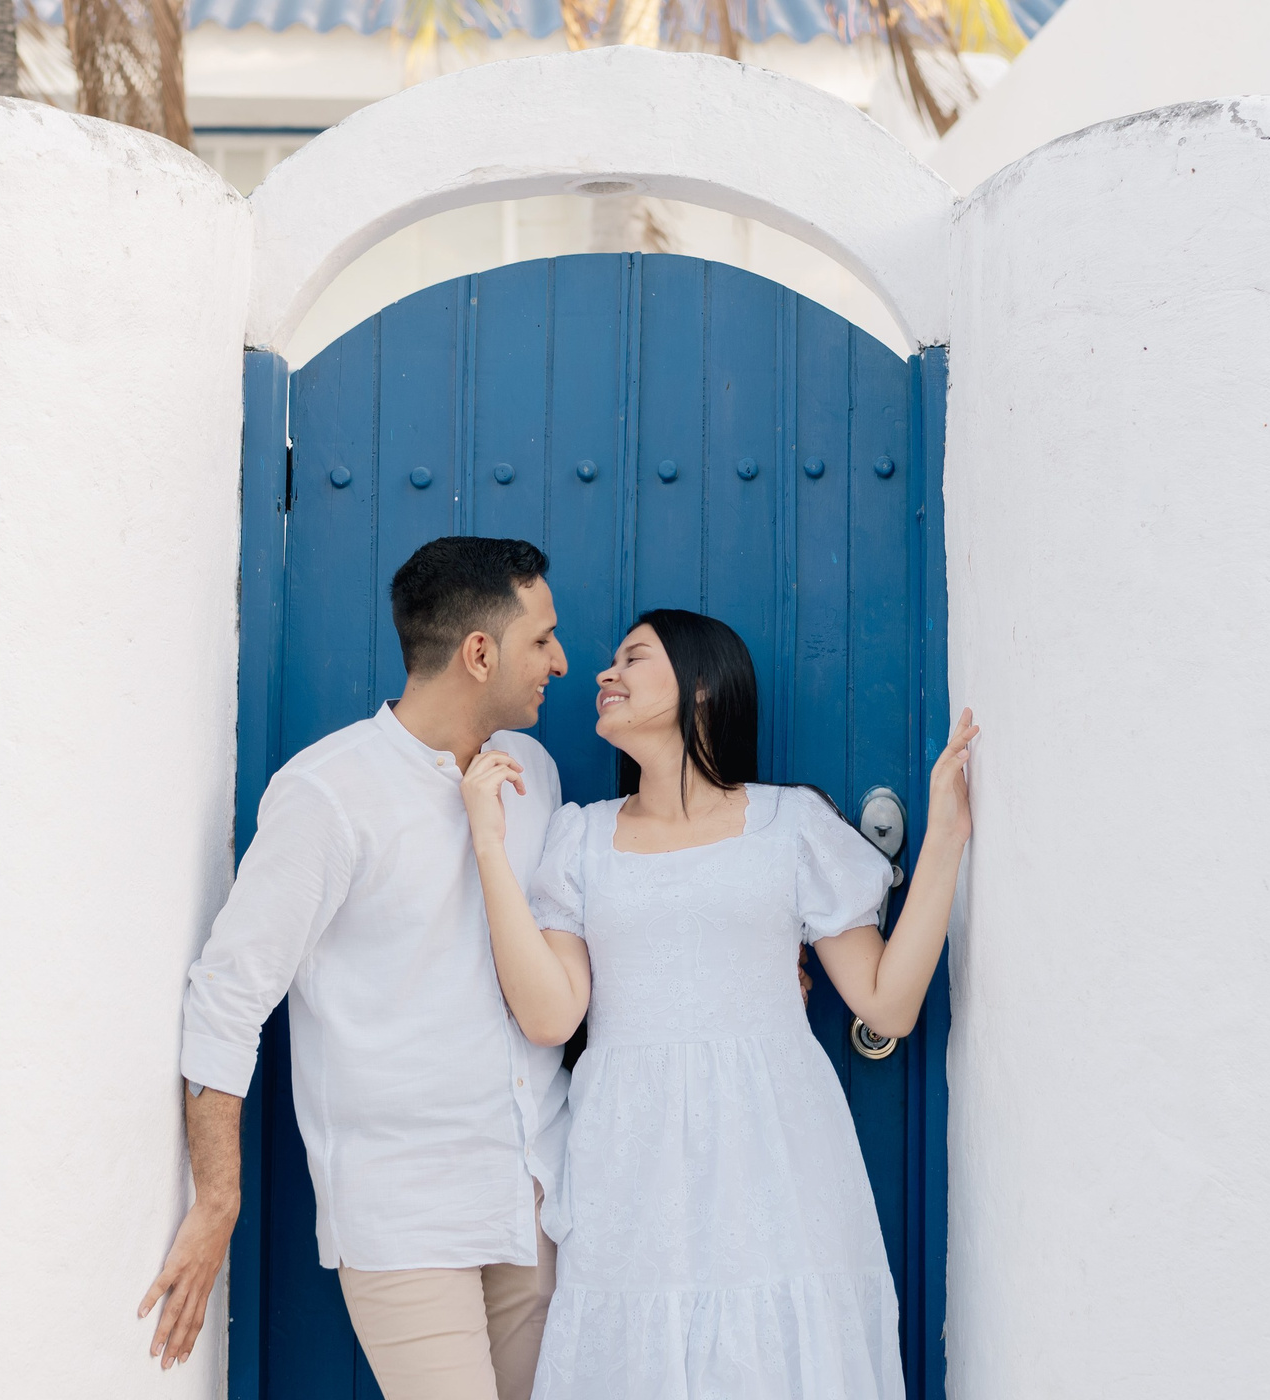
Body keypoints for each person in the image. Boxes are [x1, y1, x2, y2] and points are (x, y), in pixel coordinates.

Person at [457, 608, 976, 1399]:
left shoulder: (788, 825)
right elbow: (550, 1015)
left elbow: (888, 1003)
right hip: (632, 1162)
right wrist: (490, 849)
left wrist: (944, 836)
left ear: (701, 688)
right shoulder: (581, 840)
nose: (605, 675)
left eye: (633, 659)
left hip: (774, 1156)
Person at [139, 536, 574, 1400]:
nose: (560, 661)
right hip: (405, 1213)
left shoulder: (536, 772)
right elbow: (228, 996)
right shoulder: (329, 795)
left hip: (534, 1196)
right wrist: (217, 1196)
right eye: (542, 639)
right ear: (478, 654)